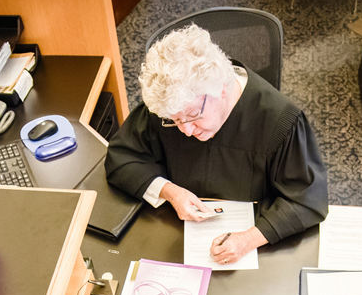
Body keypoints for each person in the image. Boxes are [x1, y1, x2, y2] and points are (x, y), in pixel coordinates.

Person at [105, 24, 328, 265]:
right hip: (174, 229)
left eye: (192, 116)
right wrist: (169, 191)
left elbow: (306, 199)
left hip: (254, 242)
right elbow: (121, 157)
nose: (186, 130)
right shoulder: (170, 106)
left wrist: (248, 239)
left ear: (222, 88)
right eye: (174, 121)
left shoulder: (280, 121)